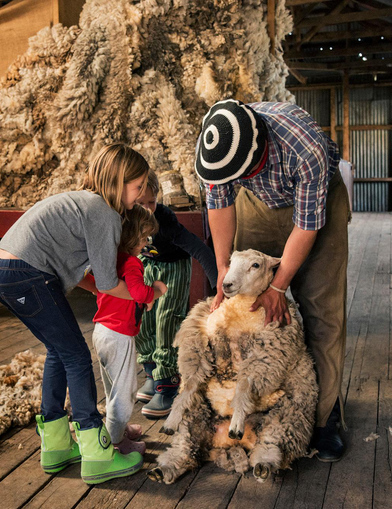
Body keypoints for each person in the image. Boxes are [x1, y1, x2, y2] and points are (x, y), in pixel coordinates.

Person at [195, 99, 350, 462]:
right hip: (258, 202)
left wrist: (279, 286)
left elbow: (307, 225)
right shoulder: (217, 148)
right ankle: (258, 408)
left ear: (259, 152)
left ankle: (325, 419)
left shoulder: (304, 146)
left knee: (321, 310)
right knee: (249, 309)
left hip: (317, 200)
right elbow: (219, 207)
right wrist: (223, 269)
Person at [0, 144, 147, 485]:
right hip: (27, 273)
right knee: (76, 356)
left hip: (6, 268)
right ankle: (96, 452)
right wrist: (146, 294)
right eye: (138, 186)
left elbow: (93, 282)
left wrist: (106, 288)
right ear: (118, 183)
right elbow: (108, 282)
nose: (141, 194)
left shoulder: (83, 203)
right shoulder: (104, 212)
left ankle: (57, 446)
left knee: (60, 354)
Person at [134, 171, 218, 418]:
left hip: (173, 267)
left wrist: (218, 288)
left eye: (152, 201)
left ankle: (168, 383)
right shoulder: (126, 215)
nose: (147, 209)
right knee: (143, 319)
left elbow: (198, 249)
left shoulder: (165, 220)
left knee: (166, 321)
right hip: (147, 264)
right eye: (141, 203)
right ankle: (151, 372)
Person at [88, 206, 167, 455]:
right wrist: (156, 289)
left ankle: (117, 429)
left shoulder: (112, 258)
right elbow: (138, 292)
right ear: (133, 237)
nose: (146, 244)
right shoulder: (132, 262)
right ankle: (116, 442)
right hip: (119, 335)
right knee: (125, 392)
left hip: (101, 330)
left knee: (112, 387)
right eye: (144, 238)